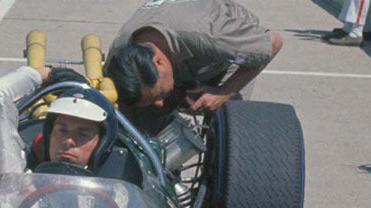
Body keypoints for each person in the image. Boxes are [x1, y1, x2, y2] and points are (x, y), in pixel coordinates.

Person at [104, 0, 282, 133]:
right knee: (140, 122)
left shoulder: (214, 38)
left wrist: (224, 92)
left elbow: (273, 42)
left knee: (229, 125)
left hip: (226, 54)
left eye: (157, 95)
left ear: (159, 62)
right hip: (180, 45)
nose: (159, 104)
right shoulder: (120, 56)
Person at [0, 66, 117, 175]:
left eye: (82, 134)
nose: (68, 141)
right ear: (49, 135)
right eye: (62, 130)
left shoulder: (118, 195)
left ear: (102, 144)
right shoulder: (15, 183)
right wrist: (48, 74)